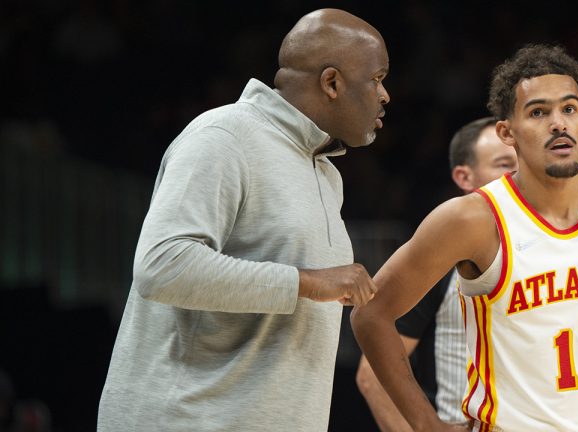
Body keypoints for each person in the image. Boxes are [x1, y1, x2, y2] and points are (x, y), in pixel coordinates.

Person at [352, 43, 578, 432]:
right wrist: (427, 426)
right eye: (538, 112)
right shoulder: (473, 219)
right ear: (507, 132)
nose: (558, 123)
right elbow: (371, 314)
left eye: (569, 109)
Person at [97, 9, 388, 431]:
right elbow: (162, 266)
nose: (385, 95)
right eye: (378, 78)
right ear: (332, 83)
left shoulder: (326, 173)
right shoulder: (224, 136)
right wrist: (307, 281)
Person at [355, 117, 518, 430]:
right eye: (502, 164)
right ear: (464, 176)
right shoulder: (442, 256)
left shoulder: (555, 247)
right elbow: (372, 374)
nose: (516, 174)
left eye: (520, 162)